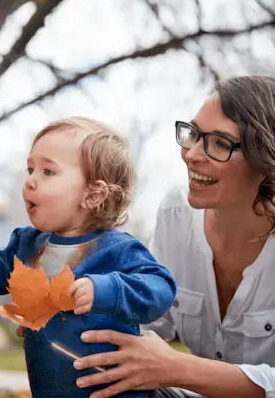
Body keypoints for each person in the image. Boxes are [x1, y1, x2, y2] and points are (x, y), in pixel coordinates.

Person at [71, 75, 275, 398]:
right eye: (193, 134)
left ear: (265, 159)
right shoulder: (177, 212)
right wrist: (64, 315)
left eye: (220, 143)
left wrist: (177, 368)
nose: (191, 154)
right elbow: (150, 320)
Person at [0, 116, 177, 398]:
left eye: (48, 172)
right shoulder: (27, 244)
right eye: (30, 169)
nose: (30, 181)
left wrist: (106, 289)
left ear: (93, 194)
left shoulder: (117, 249)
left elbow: (161, 290)